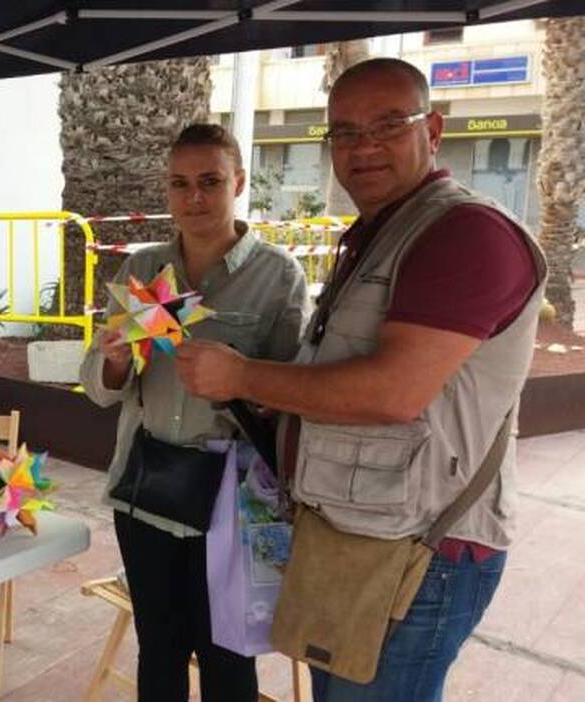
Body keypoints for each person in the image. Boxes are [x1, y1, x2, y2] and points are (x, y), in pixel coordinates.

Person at [175, 58, 545, 702]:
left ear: (433, 129)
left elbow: (391, 393)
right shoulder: (383, 233)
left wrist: (243, 376)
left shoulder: (465, 233)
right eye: (344, 132)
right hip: (354, 535)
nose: (363, 147)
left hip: (418, 552)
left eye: (388, 125)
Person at [80, 123, 307, 701]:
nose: (194, 198)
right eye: (180, 184)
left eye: (210, 181)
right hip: (146, 489)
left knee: (226, 655)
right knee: (159, 648)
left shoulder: (277, 276)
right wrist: (115, 359)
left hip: (229, 498)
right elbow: (101, 388)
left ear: (239, 182)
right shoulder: (143, 270)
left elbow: (292, 398)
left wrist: (239, 377)